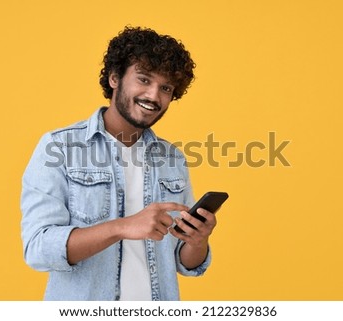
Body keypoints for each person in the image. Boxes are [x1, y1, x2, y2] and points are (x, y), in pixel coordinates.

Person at [20, 26, 217, 301]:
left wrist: (198, 240)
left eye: (166, 88)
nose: (153, 96)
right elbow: (39, 248)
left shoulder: (172, 159)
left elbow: (184, 262)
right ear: (115, 78)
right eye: (144, 80)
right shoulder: (59, 148)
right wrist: (122, 226)